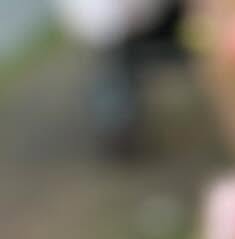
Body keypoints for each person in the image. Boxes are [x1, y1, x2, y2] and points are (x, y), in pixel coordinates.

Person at [50, 0, 185, 152]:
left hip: (164, 19)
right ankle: (120, 136)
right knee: (112, 79)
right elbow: (92, 24)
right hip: (117, 40)